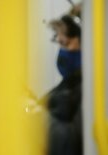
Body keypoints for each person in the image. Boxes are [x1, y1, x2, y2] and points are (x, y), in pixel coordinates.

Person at [46, 13, 82, 155]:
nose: (62, 51)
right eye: (59, 43)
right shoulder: (70, 82)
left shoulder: (92, 90)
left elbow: (70, 143)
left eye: (65, 44)